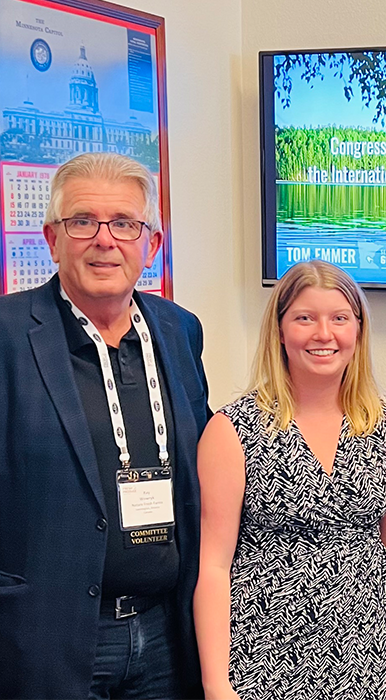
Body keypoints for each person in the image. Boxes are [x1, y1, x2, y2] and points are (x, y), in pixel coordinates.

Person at [0, 152, 211, 698]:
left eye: (123, 223)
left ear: (152, 245)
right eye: (82, 222)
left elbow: (200, 470)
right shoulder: (6, 335)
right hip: (49, 638)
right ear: (51, 238)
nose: (103, 239)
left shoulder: (180, 332)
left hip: (166, 633)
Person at [193, 260, 386, 700]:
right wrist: (215, 683)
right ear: (279, 330)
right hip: (263, 655)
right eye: (304, 318)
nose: (323, 334)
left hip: (364, 654)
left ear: (359, 330)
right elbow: (214, 567)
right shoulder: (232, 429)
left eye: (339, 318)